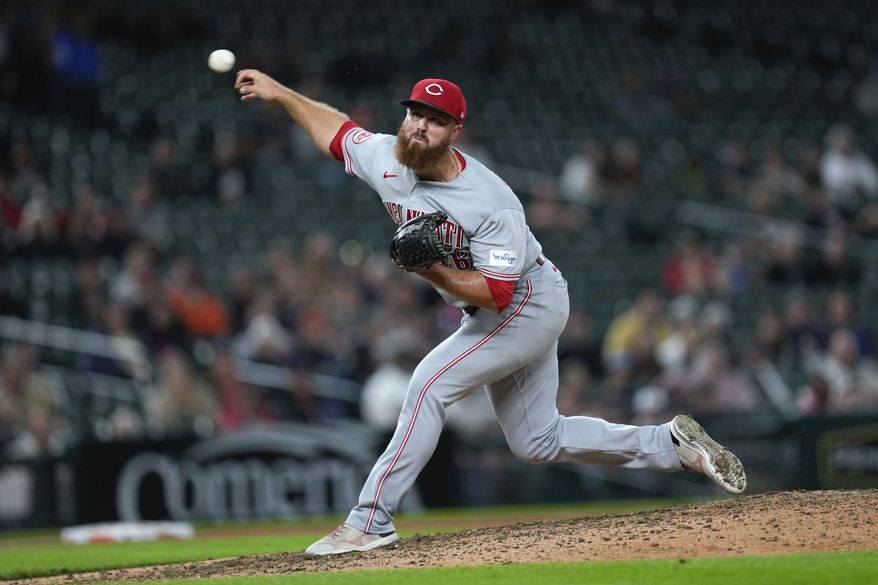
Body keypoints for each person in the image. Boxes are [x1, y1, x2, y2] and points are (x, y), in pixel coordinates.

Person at [234, 70, 747, 555]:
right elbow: (337, 132)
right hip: (503, 307)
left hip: (526, 302)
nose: (419, 125)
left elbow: (496, 293)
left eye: (434, 119)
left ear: (455, 130)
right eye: (414, 112)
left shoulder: (489, 201)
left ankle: (369, 521)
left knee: (428, 385)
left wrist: (429, 271)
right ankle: (670, 444)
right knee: (536, 441)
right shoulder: (388, 156)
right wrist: (282, 93)